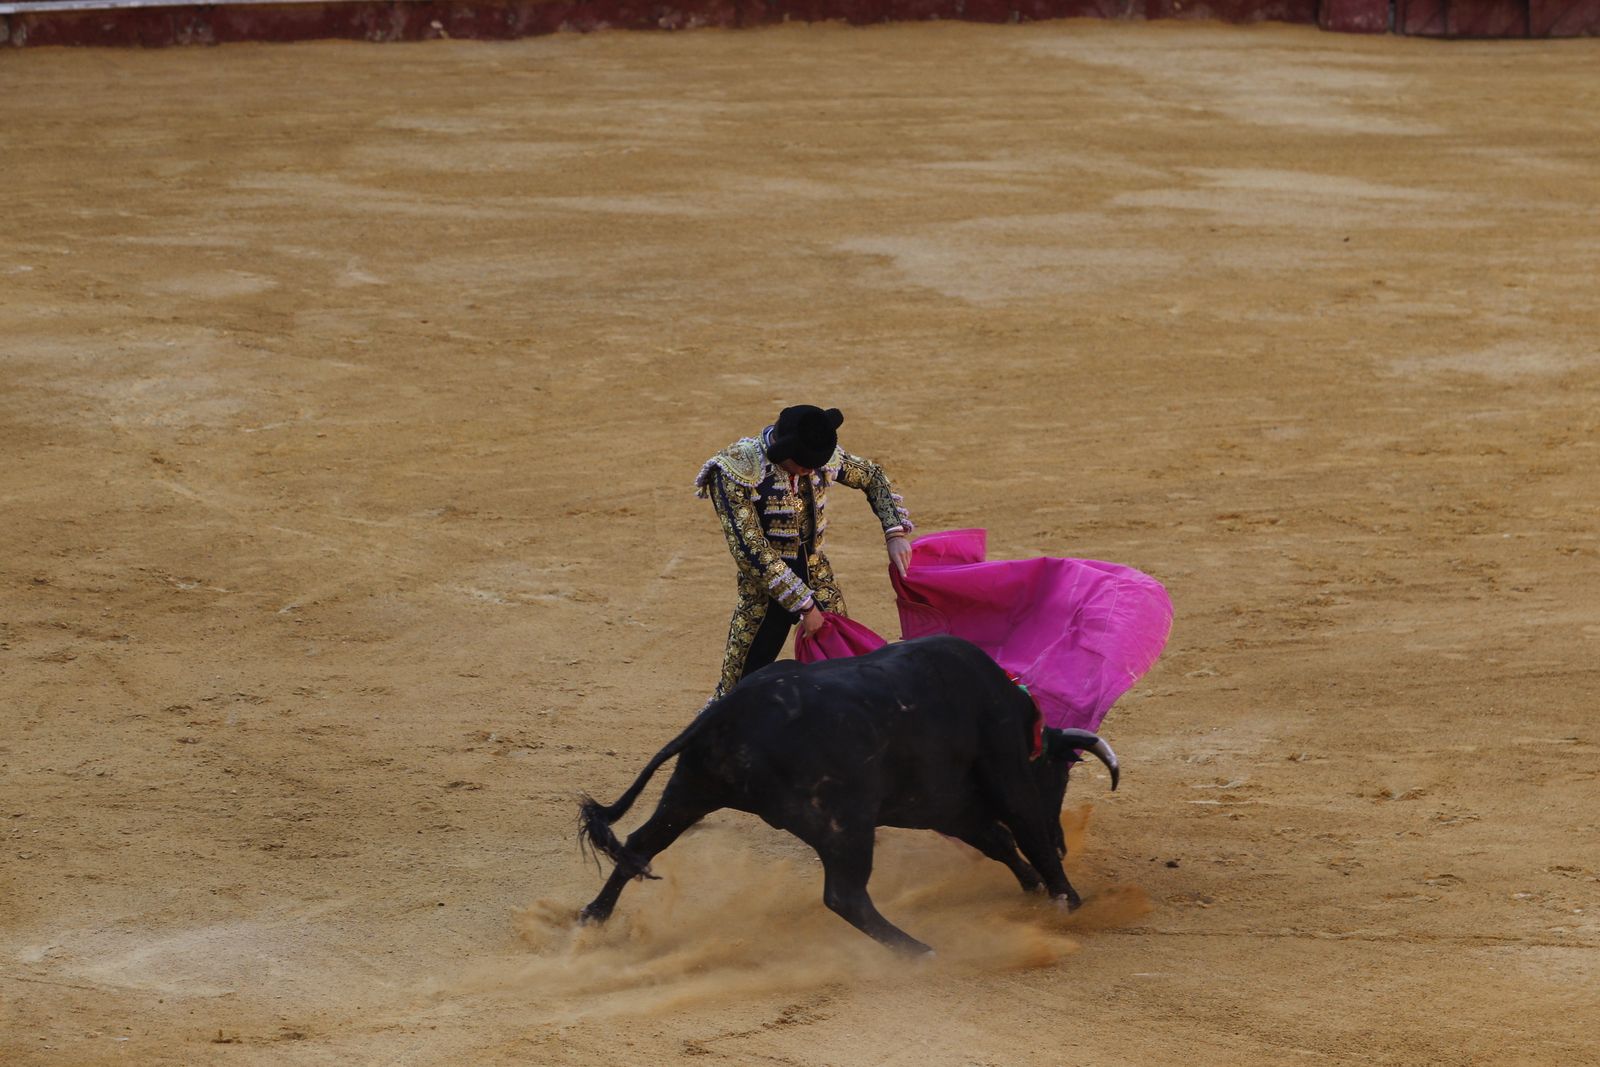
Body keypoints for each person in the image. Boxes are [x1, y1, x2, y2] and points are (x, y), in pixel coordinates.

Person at [695, 405, 913, 702]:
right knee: (736, 690)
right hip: (763, 590)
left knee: (843, 670)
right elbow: (749, 550)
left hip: (815, 571)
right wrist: (805, 605)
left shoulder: (815, 447)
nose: (813, 472)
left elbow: (871, 476)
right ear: (784, 452)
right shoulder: (735, 470)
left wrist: (895, 531)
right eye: (805, 467)